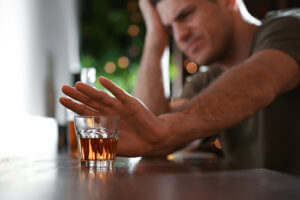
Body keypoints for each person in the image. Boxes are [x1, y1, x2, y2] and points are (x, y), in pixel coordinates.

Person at [60, 0, 300, 174]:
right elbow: (150, 136)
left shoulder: (290, 26)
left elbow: (262, 77)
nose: (180, 36)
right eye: (169, 28)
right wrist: (155, 37)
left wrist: (165, 129)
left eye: (185, 15)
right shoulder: (210, 79)